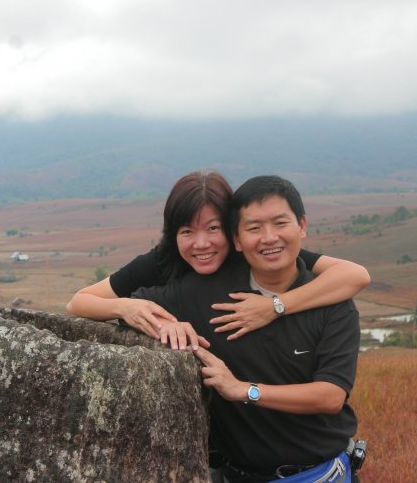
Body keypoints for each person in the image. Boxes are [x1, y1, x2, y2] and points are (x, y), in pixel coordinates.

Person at [135, 175, 362, 482]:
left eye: (280, 223)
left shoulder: (332, 302)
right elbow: (109, 304)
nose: (269, 238)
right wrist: (158, 319)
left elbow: (330, 396)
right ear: (237, 240)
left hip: (316, 474)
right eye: (254, 228)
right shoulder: (201, 292)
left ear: (302, 226)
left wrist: (243, 390)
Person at [66, 170, 370, 342]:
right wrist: (126, 307)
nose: (201, 244)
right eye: (187, 232)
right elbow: (78, 302)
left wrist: (273, 307)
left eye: (213, 228)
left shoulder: (252, 253)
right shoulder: (163, 259)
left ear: (234, 232)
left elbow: (354, 275)